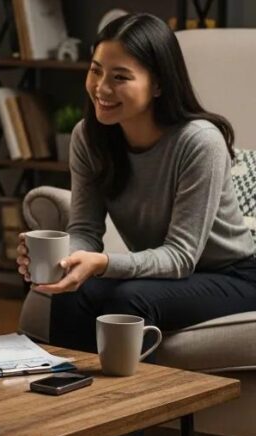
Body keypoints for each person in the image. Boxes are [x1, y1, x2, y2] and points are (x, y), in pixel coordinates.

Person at [16, 13, 256, 353]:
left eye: (120, 77)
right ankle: (66, 392)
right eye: (96, 70)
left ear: (158, 84)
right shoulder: (89, 137)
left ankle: (134, 405)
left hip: (234, 276)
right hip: (166, 275)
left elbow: (180, 257)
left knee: (131, 303)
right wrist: (61, 262)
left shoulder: (200, 142)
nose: (101, 88)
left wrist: (103, 264)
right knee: (74, 293)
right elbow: (85, 229)